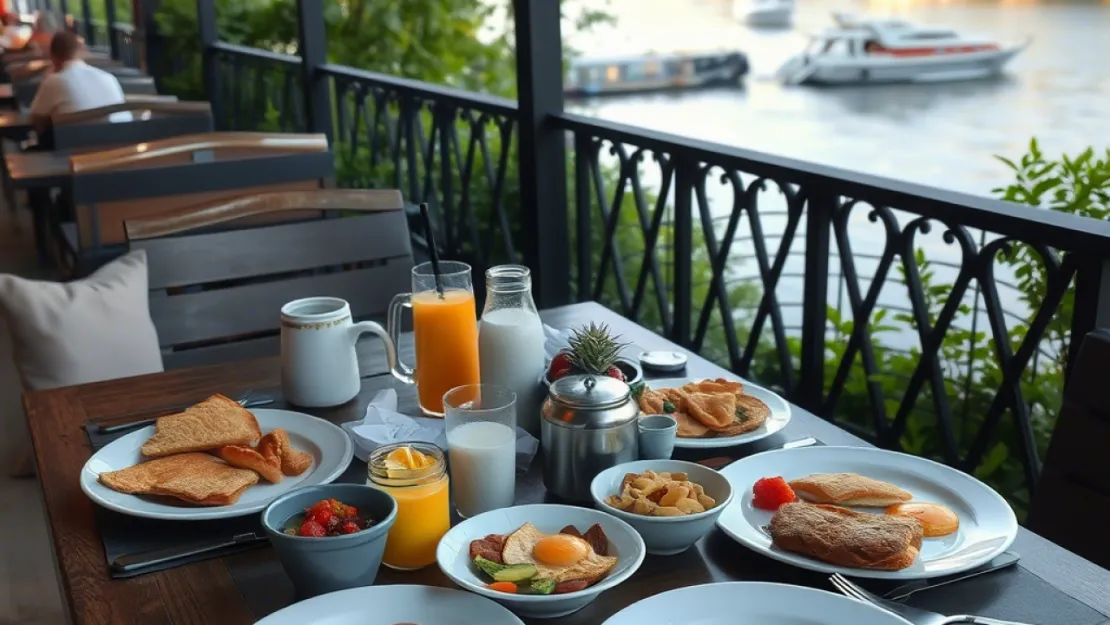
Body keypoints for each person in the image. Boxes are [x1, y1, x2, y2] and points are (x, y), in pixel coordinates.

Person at [28, 32, 126, 133]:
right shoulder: (108, 77)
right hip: (120, 141)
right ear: (80, 53)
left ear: (53, 57)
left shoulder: (54, 81)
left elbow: (35, 118)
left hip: (74, 145)